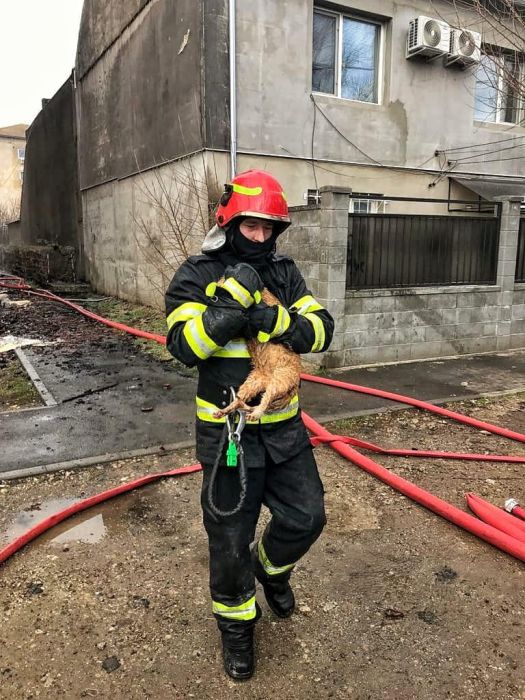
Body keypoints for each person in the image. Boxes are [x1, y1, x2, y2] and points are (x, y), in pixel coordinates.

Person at [165, 169, 334, 680]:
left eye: (268, 228)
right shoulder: (197, 273)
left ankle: (272, 570)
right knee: (229, 542)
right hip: (227, 438)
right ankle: (237, 628)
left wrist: (273, 321)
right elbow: (184, 347)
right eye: (250, 226)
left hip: (284, 431)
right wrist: (228, 309)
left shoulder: (284, 273)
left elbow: (321, 330)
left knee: (307, 517)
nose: (260, 237)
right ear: (230, 222)